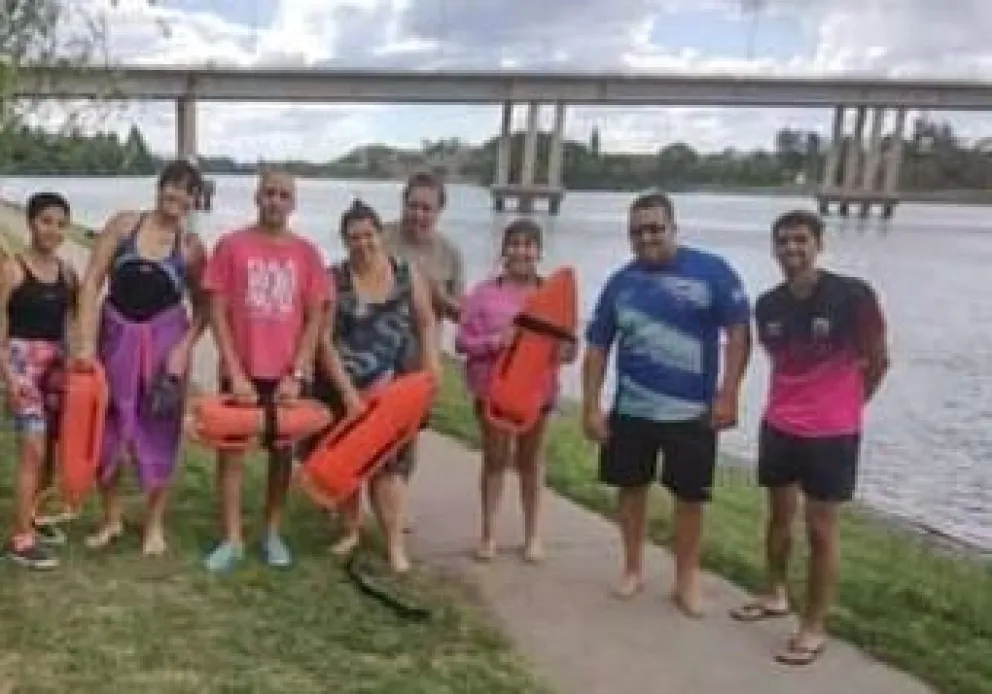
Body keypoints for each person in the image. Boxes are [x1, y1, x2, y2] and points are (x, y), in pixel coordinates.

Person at [729, 210, 890, 665]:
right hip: (780, 424)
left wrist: (847, 407)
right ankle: (774, 593)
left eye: (801, 240)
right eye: (783, 242)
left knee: (821, 530)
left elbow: (878, 361)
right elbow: (781, 362)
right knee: (778, 516)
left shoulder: (853, 296)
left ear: (818, 244)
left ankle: (814, 625)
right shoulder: (768, 305)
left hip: (832, 432)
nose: (792, 250)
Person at [581, 192, 751, 616]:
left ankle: (685, 580)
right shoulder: (621, 283)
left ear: (674, 228)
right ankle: (633, 568)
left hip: (692, 413)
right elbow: (598, 347)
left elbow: (739, 333)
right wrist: (590, 405)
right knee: (630, 490)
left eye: (656, 228)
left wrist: (729, 393)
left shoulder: (712, 272)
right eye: (638, 232)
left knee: (690, 499)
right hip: (632, 410)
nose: (647, 238)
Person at [77, 161, 208, 556]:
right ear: (160, 187)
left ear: (194, 200)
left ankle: (154, 525)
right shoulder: (123, 226)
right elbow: (91, 283)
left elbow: (205, 307)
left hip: (165, 342)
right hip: (116, 334)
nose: (178, 196)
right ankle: (112, 517)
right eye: (173, 187)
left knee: (160, 428)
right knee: (110, 424)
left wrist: (185, 349)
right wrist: (85, 344)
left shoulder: (191, 248)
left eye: (188, 191)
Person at [202, 169, 329, 573]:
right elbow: (217, 310)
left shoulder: (308, 254)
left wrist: (299, 371)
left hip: (286, 375)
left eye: (284, 195)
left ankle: (272, 533)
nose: (275, 200)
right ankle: (232, 538)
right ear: (257, 198)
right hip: (242, 368)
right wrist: (234, 369)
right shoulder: (231, 246)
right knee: (232, 455)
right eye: (269, 193)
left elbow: (315, 318)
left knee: (281, 456)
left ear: (293, 204)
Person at [308, 199, 441, 574]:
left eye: (369, 235)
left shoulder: (406, 274)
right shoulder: (334, 278)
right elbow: (324, 340)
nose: (362, 244)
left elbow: (426, 322)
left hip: (395, 386)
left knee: (391, 468)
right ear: (345, 240)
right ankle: (350, 529)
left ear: (381, 235)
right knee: (349, 461)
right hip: (345, 385)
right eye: (354, 237)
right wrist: (348, 394)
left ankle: (395, 545)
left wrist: (432, 366)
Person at [455, 218, 575, 563]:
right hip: (492, 393)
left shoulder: (552, 295)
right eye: (515, 244)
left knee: (531, 462)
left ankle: (533, 536)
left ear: (539, 252)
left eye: (529, 245)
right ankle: (488, 535)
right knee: (495, 461)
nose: (521, 251)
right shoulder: (483, 293)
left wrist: (565, 351)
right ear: (504, 250)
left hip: (538, 395)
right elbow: (463, 342)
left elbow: (569, 348)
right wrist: (496, 341)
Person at [0, 193, 78, 569]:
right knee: (31, 450)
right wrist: (9, 379)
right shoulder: (13, 269)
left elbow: (70, 324)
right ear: (31, 222)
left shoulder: (67, 274)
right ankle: (20, 539)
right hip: (21, 365)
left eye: (61, 224)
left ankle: (36, 516)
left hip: (54, 367)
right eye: (46, 221)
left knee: (49, 448)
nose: (53, 230)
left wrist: (75, 363)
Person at [382, 171, 464, 515]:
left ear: (439, 211)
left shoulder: (449, 253)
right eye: (413, 206)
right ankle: (350, 503)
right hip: (378, 351)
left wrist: (435, 292)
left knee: (407, 435)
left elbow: (461, 313)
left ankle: (396, 506)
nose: (418, 214)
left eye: (426, 208)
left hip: (420, 357)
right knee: (366, 427)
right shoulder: (382, 238)